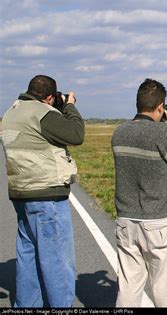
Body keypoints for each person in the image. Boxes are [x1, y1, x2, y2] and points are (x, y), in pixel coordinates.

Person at [1, 74, 84, 307]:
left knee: (28, 256)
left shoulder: (11, 112)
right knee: (57, 261)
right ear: (49, 97)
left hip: (20, 193)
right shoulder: (41, 112)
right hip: (46, 195)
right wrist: (70, 106)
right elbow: (76, 135)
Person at [111, 78, 167, 307]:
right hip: (158, 223)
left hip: (126, 220)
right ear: (161, 107)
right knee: (165, 288)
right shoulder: (161, 133)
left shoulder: (119, 133)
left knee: (128, 286)